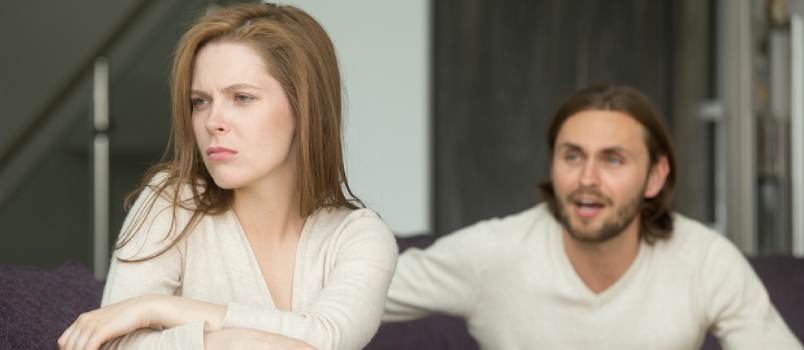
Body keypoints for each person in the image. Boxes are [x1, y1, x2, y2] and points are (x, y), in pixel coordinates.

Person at [58, 3, 398, 350]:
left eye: (242, 97)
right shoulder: (171, 203)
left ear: (306, 107)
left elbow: (328, 338)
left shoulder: (360, 238)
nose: (212, 122)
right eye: (201, 101)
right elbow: (112, 344)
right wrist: (226, 342)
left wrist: (157, 307)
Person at [382, 83, 803, 349]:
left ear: (655, 176)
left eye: (613, 160)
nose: (587, 178)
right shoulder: (491, 253)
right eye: (572, 156)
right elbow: (358, 288)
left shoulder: (705, 260)